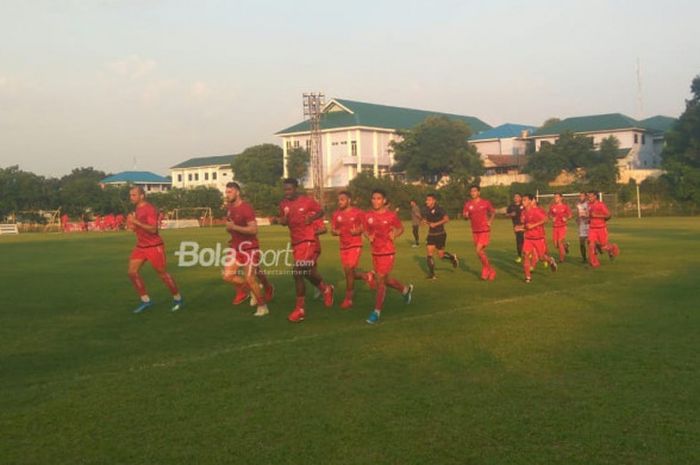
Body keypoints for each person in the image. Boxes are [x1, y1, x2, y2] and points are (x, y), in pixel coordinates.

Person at [270, 178, 334, 323]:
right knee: (307, 272)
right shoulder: (284, 204)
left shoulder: (307, 201)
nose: (287, 192)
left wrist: (311, 218)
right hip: (296, 242)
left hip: (309, 240)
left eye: (289, 189)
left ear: (296, 189)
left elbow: (320, 211)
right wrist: (279, 220)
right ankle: (326, 288)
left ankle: (300, 309)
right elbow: (285, 221)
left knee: (297, 271)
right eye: (285, 189)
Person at [126, 186, 183, 313]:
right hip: (141, 246)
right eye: (130, 195)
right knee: (132, 272)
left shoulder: (149, 209)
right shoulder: (137, 208)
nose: (131, 197)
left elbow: (153, 229)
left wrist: (136, 222)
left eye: (134, 195)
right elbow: (138, 228)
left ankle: (178, 299)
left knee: (162, 274)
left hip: (154, 246)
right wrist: (132, 225)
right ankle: (146, 301)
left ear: (142, 196)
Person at [222, 182, 273, 317]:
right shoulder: (229, 208)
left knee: (250, 278)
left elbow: (253, 229)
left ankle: (263, 306)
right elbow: (231, 226)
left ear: (237, 192)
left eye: (230, 192)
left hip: (250, 248)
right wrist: (232, 235)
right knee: (227, 276)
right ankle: (253, 288)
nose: (227, 194)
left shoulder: (246, 208)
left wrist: (234, 228)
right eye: (226, 192)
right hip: (236, 248)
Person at [364, 189, 414, 324]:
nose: (375, 201)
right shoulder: (368, 215)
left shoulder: (391, 216)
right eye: (373, 198)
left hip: (388, 251)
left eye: (379, 198)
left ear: (384, 200)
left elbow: (400, 228)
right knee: (385, 279)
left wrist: (395, 235)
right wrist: (368, 236)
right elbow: (365, 230)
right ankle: (405, 290)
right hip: (375, 252)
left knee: (380, 280)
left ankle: (376, 312)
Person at [331, 191, 375, 309]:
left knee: (349, 269)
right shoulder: (336, 214)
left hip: (355, 245)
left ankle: (348, 299)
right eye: (339, 200)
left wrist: (359, 231)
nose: (339, 202)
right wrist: (336, 232)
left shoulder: (358, 213)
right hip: (343, 246)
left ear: (349, 200)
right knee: (349, 273)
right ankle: (367, 276)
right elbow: (333, 230)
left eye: (342, 199)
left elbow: (365, 226)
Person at [517, 194, 558, 283]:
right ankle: (528, 277)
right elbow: (526, 225)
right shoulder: (523, 212)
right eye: (522, 200)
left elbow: (546, 219)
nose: (523, 202)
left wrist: (533, 225)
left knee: (542, 258)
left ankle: (550, 260)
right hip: (528, 238)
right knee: (526, 255)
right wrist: (520, 228)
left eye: (525, 200)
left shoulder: (536, 211)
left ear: (530, 201)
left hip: (538, 238)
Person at [462, 185, 496, 281]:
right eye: (471, 191)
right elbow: (465, 217)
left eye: (475, 191)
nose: (473, 193)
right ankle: (491, 270)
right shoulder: (468, 204)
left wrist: (490, 221)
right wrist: (465, 216)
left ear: (479, 192)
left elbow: (493, 212)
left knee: (478, 250)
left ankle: (486, 269)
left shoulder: (485, 203)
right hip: (475, 231)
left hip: (484, 230)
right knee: (480, 252)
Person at [421, 193, 458, 279]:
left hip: (440, 234)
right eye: (426, 200)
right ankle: (432, 275)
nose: (427, 201)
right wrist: (424, 221)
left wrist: (435, 224)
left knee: (441, 255)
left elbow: (446, 219)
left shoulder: (439, 209)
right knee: (429, 254)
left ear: (434, 201)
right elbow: (426, 220)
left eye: (429, 200)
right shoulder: (426, 210)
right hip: (431, 235)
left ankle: (452, 257)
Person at [586, 191, 620, 268]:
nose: (589, 198)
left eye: (591, 196)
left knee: (603, 246)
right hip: (592, 228)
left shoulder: (601, 205)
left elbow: (608, 215)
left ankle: (612, 248)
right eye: (588, 196)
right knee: (591, 245)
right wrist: (588, 219)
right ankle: (594, 263)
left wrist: (597, 216)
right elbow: (590, 216)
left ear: (595, 197)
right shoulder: (588, 205)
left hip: (601, 228)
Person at [548, 193, 572, 262]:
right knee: (556, 244)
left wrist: (566, 218)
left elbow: (570, 215)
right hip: (555, 227)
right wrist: (552, 218)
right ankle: (565, 246)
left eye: (557, 197)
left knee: (559, 242)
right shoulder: (552, 207)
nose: (555, 199)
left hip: (562, 227)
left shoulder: (565, 207)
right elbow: (549, 215)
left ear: (561, 198)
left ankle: (561, 259)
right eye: (555, 197)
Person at [506, 193, 525, 263]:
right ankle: (519, 256)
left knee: (525, 240)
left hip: (525, 225)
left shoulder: (524, 205)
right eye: (515, 197)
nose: (516, 198)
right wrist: (511, 214)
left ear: (520, 198)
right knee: (519, 241)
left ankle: (528, 253)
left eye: (517, 197)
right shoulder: (511, 206)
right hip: (516, 226)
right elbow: (507, 214)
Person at [575, 192, 590, 263]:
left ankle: (593, 256)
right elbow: (578, 214)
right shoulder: (578, 204)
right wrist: (577, 219)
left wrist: (588, 218)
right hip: (582, 225)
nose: (581, 197)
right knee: (581, 243)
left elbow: (591, 213)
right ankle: (584, 258)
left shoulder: (589, 203)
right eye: (580, 196)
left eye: (582, 196)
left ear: (586, 197)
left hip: (589, 225)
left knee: (591, 243)